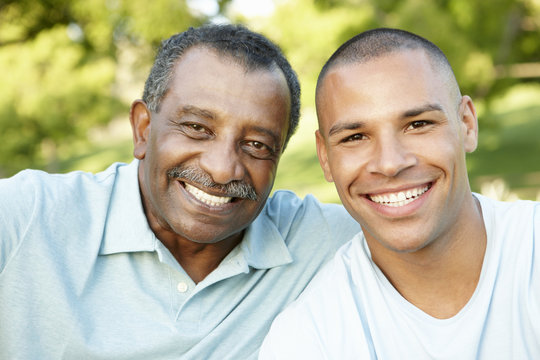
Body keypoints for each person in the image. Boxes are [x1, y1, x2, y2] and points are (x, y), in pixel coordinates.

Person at [0, 24, 360, 359]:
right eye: (197, 127)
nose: (222, 168)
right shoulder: (27, 215)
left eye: (256, 145)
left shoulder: (330, 242)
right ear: (143, 129)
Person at [259, 28, 540, 359]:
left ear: (466, 123)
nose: (390, 163)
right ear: (325, 157)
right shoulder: (308, 337)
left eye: (418, 124)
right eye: (355, 137)